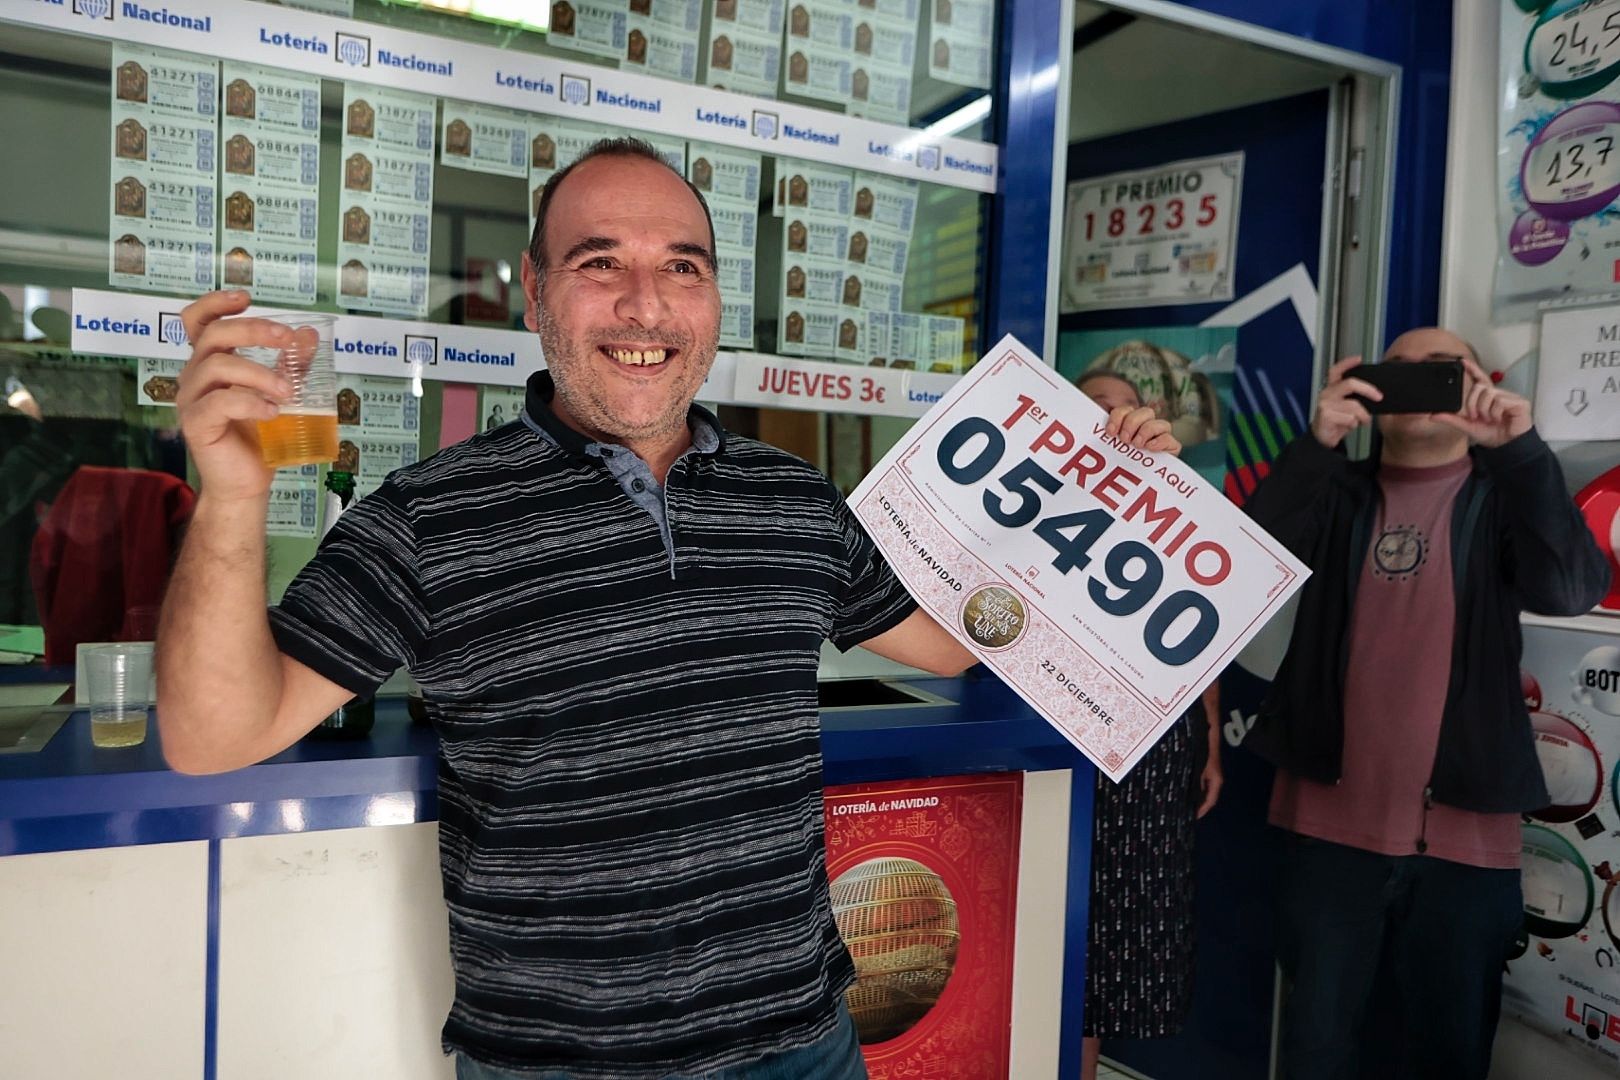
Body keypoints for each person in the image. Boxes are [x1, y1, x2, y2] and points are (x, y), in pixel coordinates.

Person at [157, 137, 1176, 1079]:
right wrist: (234, 500)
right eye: (600, 263)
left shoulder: (795, 499)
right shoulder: (429, 517)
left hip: (804, 1042)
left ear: (715, 299)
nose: (646, 305)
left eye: (681, 266)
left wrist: (1096, 499)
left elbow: (952, 647)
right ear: (535, 293)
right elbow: (214, 735)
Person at [1242, 329, 1612, 1080]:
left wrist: (1519, 449)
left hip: (1467, 845)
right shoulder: (1333, 492)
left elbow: (1571, 589)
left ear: (1478, 385)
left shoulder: (1501, 494)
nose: (1418, 383)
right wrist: (1317, 443)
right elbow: (1242, 573)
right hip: (1326, 839)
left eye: (1443, 371)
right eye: (1397, 370)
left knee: (1448, 1059)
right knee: (1315, 1053)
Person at [1073, 368, 1222, 1080]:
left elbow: (1209, 628)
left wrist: (1212, 738)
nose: (1110, 418)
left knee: (1105, 960)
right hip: (1045, 733)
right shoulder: (1027, 489)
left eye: (1123, 407)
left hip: (1145, 746)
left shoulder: (1177, 495)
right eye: (1092, 403)